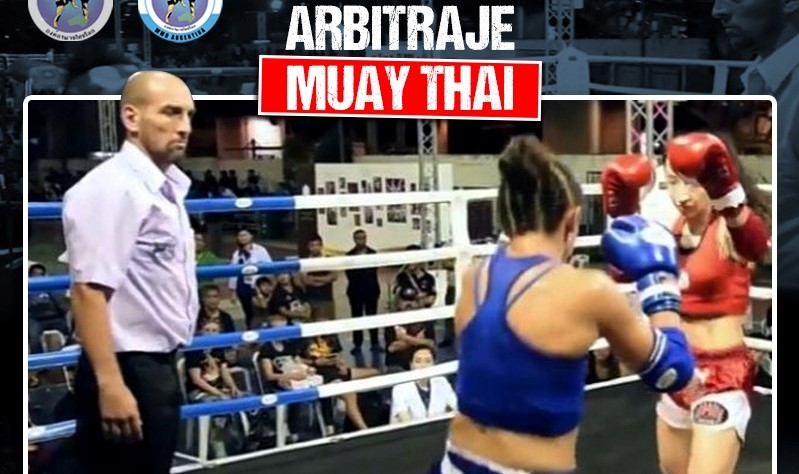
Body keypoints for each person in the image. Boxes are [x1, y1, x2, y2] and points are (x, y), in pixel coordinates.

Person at [431, 135, 700, 474]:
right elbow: (672, 372)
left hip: (454, 463)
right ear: (572, 221)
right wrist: (659, 281)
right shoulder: (586, 290)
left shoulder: (475, 276)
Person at [601, 132, 770, 474]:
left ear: (714, 178)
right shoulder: (671, 230)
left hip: (722, 377)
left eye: (692, 183)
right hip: (678, 369)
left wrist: (728, 197)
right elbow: (622, 273)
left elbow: (755, 245)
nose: (681, 195)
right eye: (672, 183)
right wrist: (623, 216)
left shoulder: (729, 227)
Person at [62, 70, 198, 474]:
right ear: (131, 118)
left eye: (188, 115)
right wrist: (111, 384)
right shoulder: (112, 188)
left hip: (155, 365)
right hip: (126, 367)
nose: (184, 127)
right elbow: (88, 290)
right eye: (171, 112)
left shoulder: (161, 189)